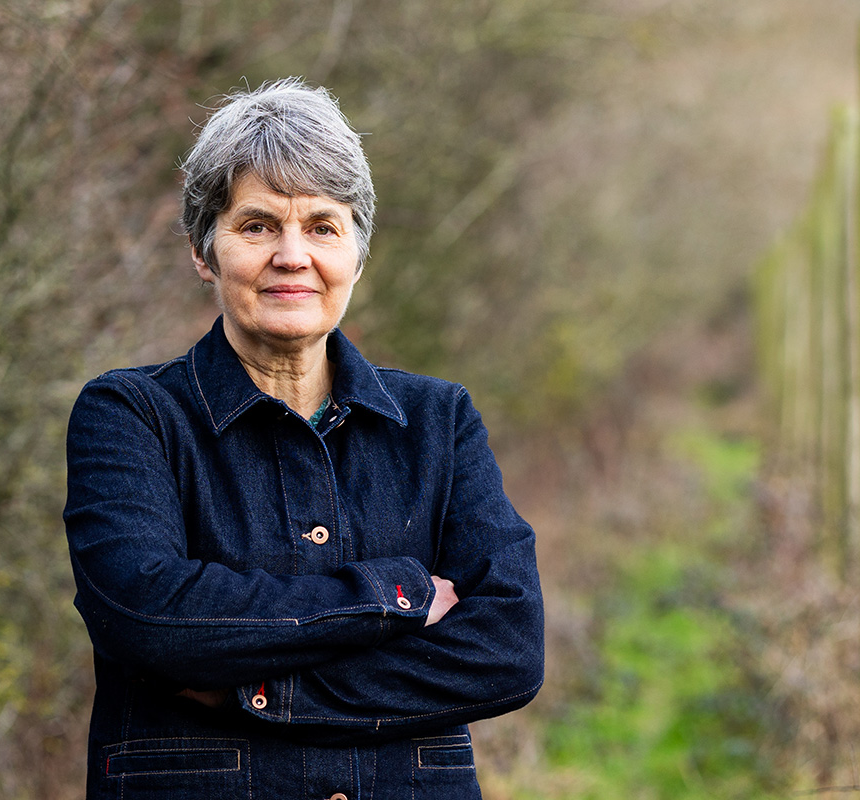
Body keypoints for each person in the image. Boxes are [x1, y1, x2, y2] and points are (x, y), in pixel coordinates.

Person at [63, 78, 544, 800]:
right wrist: (396, 592)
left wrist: (257, 692)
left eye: (323, 226)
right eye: (257, 226)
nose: (293, 255)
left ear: (357, 251)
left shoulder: (439, 420)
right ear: (205, 250)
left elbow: (506, 649)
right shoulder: (131, 416)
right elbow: (151, 617)